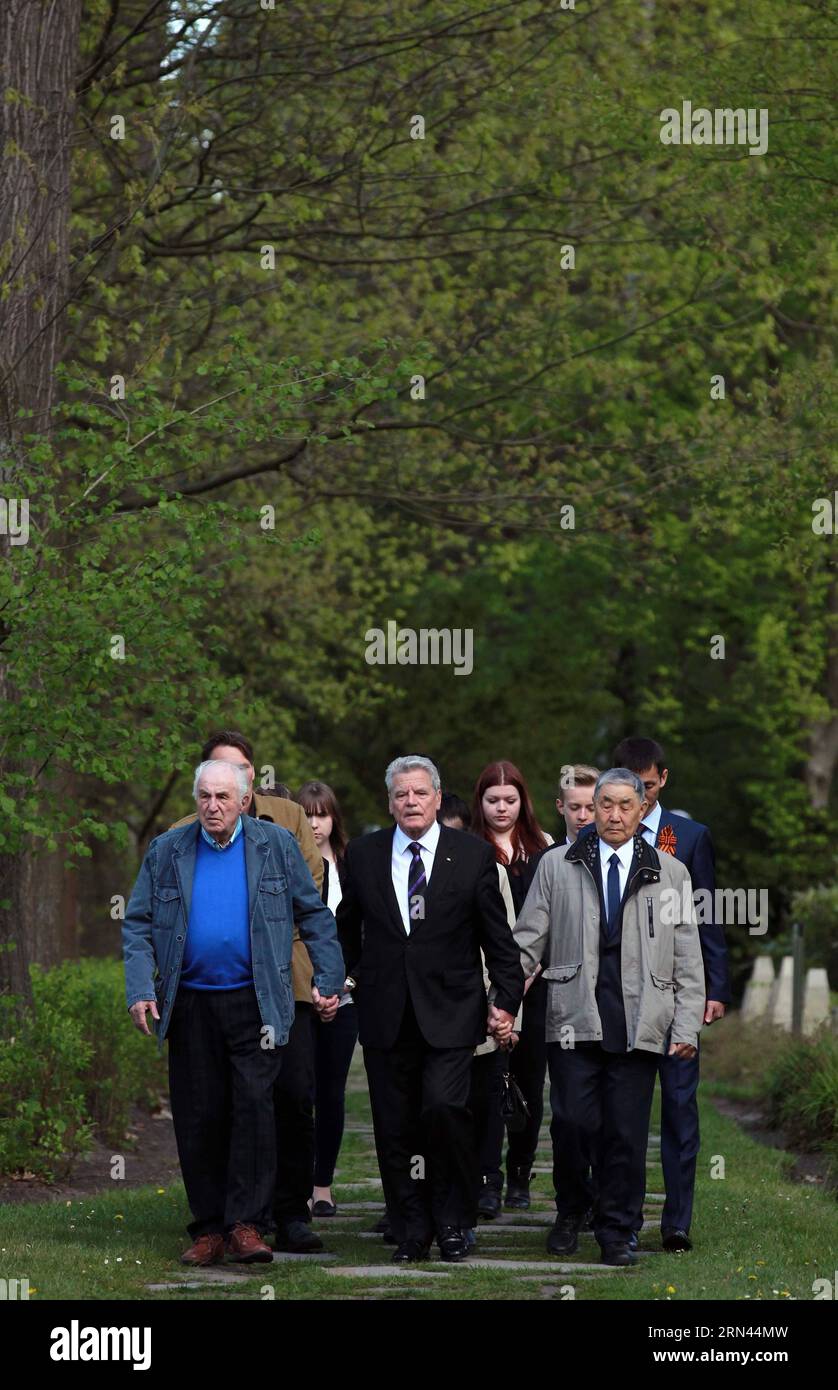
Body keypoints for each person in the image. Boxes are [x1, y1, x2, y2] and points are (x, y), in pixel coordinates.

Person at [123, 760, 344, 1266]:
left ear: (244, 801)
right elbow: (137, 923)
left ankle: (248, 1225)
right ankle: (208, 1229)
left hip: (257, 1000)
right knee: (199, 1116)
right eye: (204, 796)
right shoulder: (168, 850)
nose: (213, 806)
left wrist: (329, 978)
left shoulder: (275, 846)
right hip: (191, 1002)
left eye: (223, 797)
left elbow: (313, 913)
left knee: (253, 1111)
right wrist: (140, 988)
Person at [336, 754, 524, 1263]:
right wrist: (350, 978)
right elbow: (345, 928)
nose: (411, 802)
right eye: (401, 794)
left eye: (420, 793)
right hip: (386, 1015)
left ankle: (453, 1221)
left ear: (438, 799)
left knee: (443, 1112)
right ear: (390, 802)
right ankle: (411, 1228)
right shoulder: (365, 854)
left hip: (452, 1014)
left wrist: (504, 1002)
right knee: (395, 1127)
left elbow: (499, 942)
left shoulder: (472, 856)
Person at [514, 768, 705, 1266]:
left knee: (625, 1132)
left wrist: (686, 1028)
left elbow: (688, 957)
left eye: (625, 805)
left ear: (642, 811)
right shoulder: (558, 865)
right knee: (573, 1123)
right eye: (605, 805)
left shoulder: (672, 874)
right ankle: (572, 1209)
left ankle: (618, 1230)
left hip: (641, 1022)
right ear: (591, 809)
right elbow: (527, 940)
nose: (614, 814)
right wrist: (501, 999)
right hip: (574, 1016)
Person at [170, 731, 328, 1254]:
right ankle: (220, 1224)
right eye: (208, 783)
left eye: (231, 779)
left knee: (285, 1098)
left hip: (281, 985)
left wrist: (322, 975)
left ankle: (281, 1212)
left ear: (248, 782)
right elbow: (152, 918)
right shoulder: (177, 839)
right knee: (211, 1108)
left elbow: (309, 901)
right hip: (200, 997)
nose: (218, 795)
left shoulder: (284, 823)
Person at [612, 737, 731, 1252]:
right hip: (623, 997)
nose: (641, 791)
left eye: (650, 783)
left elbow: (706, 915)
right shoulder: (603, 833)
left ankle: (677, 1220)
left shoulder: (688, 836)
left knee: (680, 1109)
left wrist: (715, 988)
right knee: (625, 1113)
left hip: (680, 993)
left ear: (662, 780)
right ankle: (622, 1217)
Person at [471, 761, 551, 1211]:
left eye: (510, 800)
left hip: (536, 983)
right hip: (483, 983)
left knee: (528, 1083)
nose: (502, 808)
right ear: (480, 802)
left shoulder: (544, 852)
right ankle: (487, 1178)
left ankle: (520, 1171)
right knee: (486, 1083)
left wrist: (528, 971)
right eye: (492, 800)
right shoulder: (468, 850)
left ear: (524, 802)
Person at [297, 779, 358, 1219]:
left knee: (331, 1094)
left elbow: (364, 931)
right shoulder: (292, 862)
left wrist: (344, 983)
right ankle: (296, 1184)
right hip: (301, 997)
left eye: (323, 814)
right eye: (308, 814)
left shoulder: (353, 864)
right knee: (301, 1092)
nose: (315, 823)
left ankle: (323, 1185)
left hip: (346, 997)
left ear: (334, 818)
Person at [556, 765, 599, 844]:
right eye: (574, 808)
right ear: (560, 806)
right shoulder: (546, 856)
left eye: (591, 808)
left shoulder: (621, 855)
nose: (582, 816)